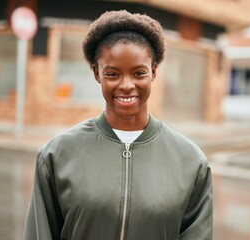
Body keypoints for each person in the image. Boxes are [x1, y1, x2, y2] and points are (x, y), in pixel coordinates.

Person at [23, 10, 213, 240]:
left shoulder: (191, 162)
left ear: (153, 72)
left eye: (139, 73)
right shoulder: (56, 155)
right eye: (113, 74)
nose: (126, 85)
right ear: (97, 73)